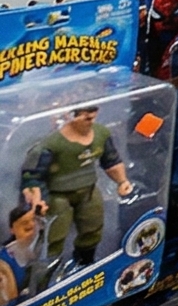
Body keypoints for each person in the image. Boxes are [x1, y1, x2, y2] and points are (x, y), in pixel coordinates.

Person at [20, 104, 130, 267]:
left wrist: (122, 181)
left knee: (92, 227)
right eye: (84, 115)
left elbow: (111, 161)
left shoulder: (101, 134)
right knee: (54, 235)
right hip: (57, 196)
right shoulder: (52, 143)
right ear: (70, 115)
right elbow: (33, 175)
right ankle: (47, 269)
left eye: (92, 114)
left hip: (88, 191)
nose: (89, 119)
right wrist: (37, 199)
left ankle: (85, 262)